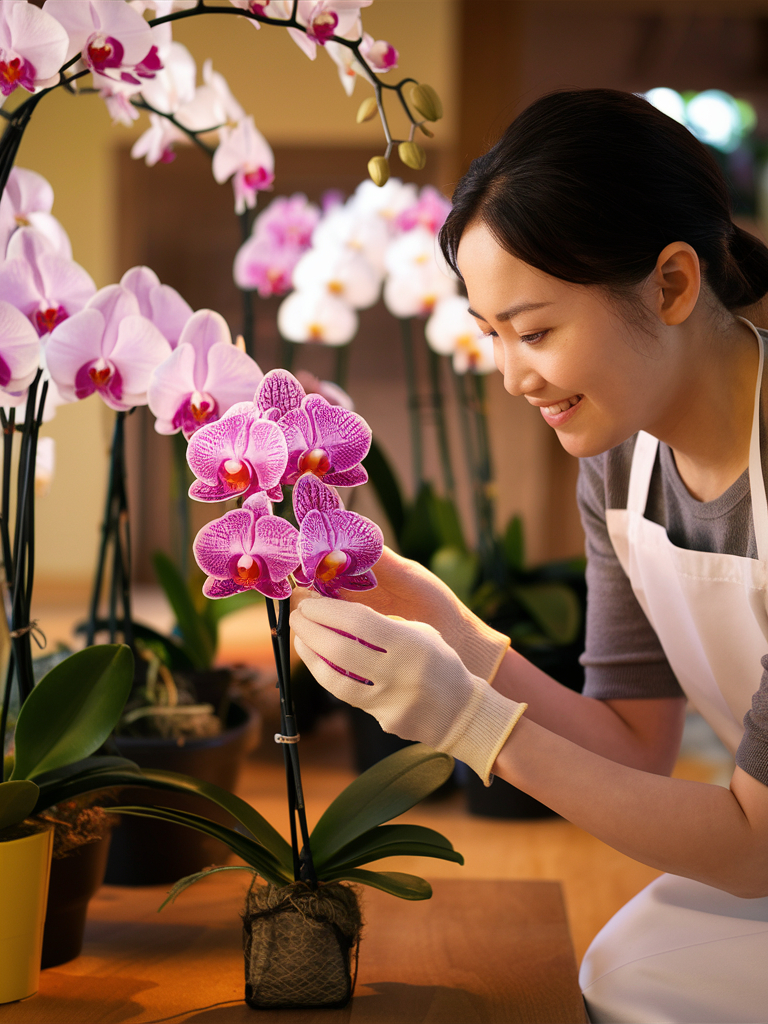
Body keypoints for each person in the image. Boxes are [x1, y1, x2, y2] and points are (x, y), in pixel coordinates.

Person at [290, 89, 768, 1024]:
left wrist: (473, 727)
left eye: (537, 330)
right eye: (492, 334)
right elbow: (633, 742)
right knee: (630, 971)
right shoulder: (623, 462)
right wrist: (452, 631)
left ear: (671, 284)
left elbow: (752, 844)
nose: (513, 376)